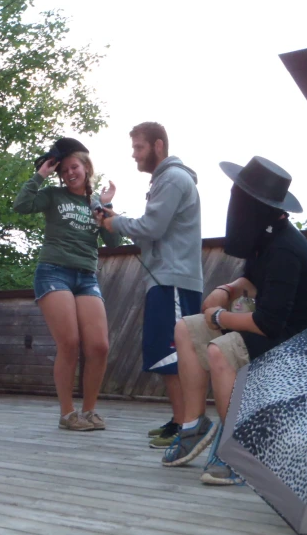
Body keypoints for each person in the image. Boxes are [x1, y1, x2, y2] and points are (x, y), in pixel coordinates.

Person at [162, 156, 307, 485]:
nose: (233, 200)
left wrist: (219, 315)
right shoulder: (265, 235)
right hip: (276, 326)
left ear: (254, 204)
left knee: (219, 350)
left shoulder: (286, 249)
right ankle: (192, 425)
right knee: (186, 327)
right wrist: (225, 289)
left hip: (303, 342)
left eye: (238, 194)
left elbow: (268, 323)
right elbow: (253, 283)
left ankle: (240, 450)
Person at [98, 122, 203, 448]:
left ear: (158, 146)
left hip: (172, 279)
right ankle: (179, 420)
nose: (134, 155)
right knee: (165, 354)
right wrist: (115, 217)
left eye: (139, 148)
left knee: (173, 356)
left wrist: (115, 222)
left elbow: (152, 227)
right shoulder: (167, 180)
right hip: (166, 278)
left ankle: (191, 426)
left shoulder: (172, 178)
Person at [13, 138, 121, 431]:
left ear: (86, 167)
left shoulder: (97, 204)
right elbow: (21, 205)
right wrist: (41, 174)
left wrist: (108, 209)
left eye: (73, 167)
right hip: (53, 272)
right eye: (64, 170)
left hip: (86, 276)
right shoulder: (53, 195)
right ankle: (67, 414)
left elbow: (114, 241)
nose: (69, 174)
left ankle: (89, 412)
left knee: (99, 346)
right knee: (70, 343)